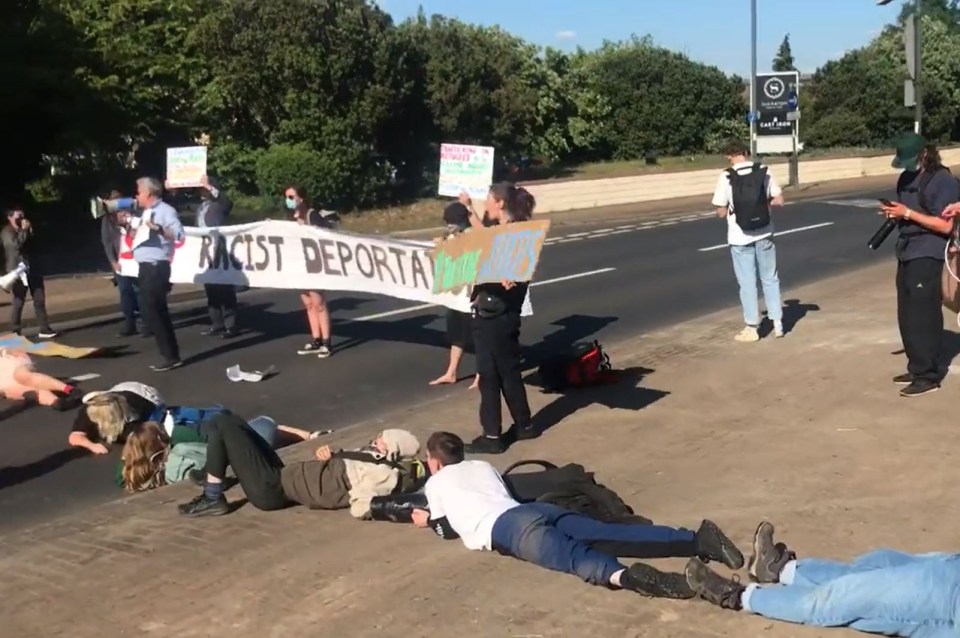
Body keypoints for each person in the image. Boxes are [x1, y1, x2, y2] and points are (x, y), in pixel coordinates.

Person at [407, 432, 744, 599]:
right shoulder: (482, 465)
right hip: (533, 509)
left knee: (572, 557)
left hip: (508, 529)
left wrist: (425, 521)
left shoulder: (436, 484)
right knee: (611, 534)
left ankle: (629, 577)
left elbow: (446, 528)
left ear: (434, 462)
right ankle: (698, 539)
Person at [682, 522, 960, 637]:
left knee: (838, 600)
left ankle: (738, 596)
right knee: (878, 564)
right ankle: (780, 570)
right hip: (951, 568)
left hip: (947, 602)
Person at [178, 412, 422, 518]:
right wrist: (329, 457)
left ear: (389, 449)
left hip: (271, 489)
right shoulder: (371, 457)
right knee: (232, 420)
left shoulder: (382, 474)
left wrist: (387, 508)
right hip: (281, 474)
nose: (375, 439)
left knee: (224, 423)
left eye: (381, 439)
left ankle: (213, 495)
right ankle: (214, 473)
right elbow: (348, 470)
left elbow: (361, 505)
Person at [456, 183, 537, 454]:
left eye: (488, 200)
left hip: (494, 316)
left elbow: (509, 266)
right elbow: (486, 238)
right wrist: (468, 209)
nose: (486, 205)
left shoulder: (514, 233)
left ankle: (492, 436)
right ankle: (524, 425)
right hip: (504, 316)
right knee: (509, 371)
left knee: (489, 375)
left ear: (499, 203)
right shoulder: (515, 230)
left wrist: (499, 272)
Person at [879, 134, 958, 398]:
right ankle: (916, 367)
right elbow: (906, 212)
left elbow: (945, 225)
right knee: (907, 314)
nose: (906, 166)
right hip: (907, 251)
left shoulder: (942, 181)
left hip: (930, 251)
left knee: (924, 315)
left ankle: (929, 375)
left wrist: (908, 214)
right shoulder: (905, 179)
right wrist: (895, 213)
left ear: (925, 154)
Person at [711, 138, 786, 343]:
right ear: (746, 152)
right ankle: (778, 323)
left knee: (747, 283)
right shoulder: (763, 170)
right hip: (764, 232)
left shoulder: (726, 176)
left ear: (729, 156)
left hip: (739, 236)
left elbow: (720, 210)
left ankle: (752, 327)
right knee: (770, 277)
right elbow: (779, 199)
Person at [120, 417, 321, 492]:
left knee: (259, 429)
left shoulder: (148, 472)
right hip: (245, 459)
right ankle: (312, 437)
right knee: (263, 425)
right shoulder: (179, 455)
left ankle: (310, 436)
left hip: (238, 458)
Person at [132, 177, 185, 371]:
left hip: (156, 266)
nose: (136, 195)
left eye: (138, 191)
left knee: (152, 310)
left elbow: (179, 234)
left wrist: (160, 230)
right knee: (153, 310)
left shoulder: (165, 211)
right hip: (146, 267)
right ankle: (171, 354)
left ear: (148, 193)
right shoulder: (146, 213)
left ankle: (170, 355)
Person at [430, 202, 480, 389]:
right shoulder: (449, 236)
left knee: (478, 336)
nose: (449, 226)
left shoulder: (474, 235)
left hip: (471, 295)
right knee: (457, 335)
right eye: (447, 222)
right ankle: (451, 372)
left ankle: (481, 374)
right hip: (456, 295)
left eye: (452, 222)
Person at [285, 185, 333, 358]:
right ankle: (316, 340)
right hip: (300, 264)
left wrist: (304, 226)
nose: (288, 201)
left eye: (291, 197)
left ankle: (327, 343)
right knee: (309, 304)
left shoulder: (312, 214)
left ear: (301, 198)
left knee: (319, 303)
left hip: (315, 265)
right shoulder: (291, 216)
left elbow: (323, 236)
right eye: (287, 197)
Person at [194, 175, 240, 338]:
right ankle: (217, 323)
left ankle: (231, 325)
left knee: (225, 288)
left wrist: (210, 187)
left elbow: (227, 202)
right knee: (211, 288)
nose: (201, 190)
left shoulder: (219, 205)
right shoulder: (201, 207)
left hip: (220, 250)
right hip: (206, 251)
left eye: (204, 188)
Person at [2, 207, 56, 338]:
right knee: (19, 301)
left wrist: (29, 231)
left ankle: (44, 328)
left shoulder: (24, 229)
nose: (21, 219)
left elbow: (34, 246)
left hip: (32, 267)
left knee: (39, 298)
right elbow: (16, 245)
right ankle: (15, 330)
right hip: (17, 271)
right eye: (18, 217)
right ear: (10, 217)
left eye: (22, 216)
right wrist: (25, 231)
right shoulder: (6, 232)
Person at [100, 190, 146, 338]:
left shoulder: (135, 214)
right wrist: (113, 262)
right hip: (121, 262)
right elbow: (107, 242)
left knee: (140, 292)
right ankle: (129, 323)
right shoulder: (108, 220)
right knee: (125, 292)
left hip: (136, 259)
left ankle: (146, 324)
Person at [0, 347, 82, 410]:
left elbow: (9, 348)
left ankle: (69, 389)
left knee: (21, 376)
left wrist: (9, 350)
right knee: (26, 390)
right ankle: (57, 403)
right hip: (4, 380)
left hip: (11, 362)